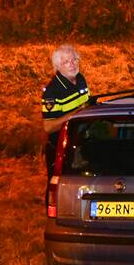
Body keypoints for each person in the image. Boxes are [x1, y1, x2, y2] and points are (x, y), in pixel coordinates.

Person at [41, 45, 90, 183]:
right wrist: (76, 114)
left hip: (82, 144)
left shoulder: (80, 79)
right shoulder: (52, 92)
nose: (72, 64)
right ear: (57, 67)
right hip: (61, 149)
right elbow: (48, 127)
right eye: (66, 62)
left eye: (74, 59)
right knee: (58, 187)